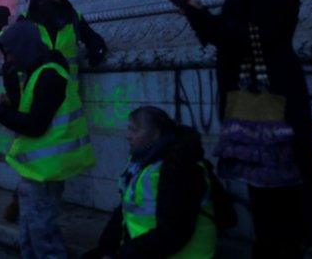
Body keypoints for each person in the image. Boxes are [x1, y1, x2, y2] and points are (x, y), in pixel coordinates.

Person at [173, 0, 312, 258]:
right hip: (258, 93)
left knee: (277, 194)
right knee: (266, 191)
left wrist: (206, 21)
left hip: (268, 95)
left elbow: (256, 34)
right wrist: (204, 19)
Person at [0, 19, 96, 258]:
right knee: (31, 237)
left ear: (24, 47)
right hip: (37, 170)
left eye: (10, 53)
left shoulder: (49, 75)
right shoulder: (37, 72)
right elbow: (33, 110)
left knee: (44, 240)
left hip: (46, 172)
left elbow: (35, 125)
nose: (9, 60)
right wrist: (7, 103)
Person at [85, 107, 218, 259]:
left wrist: (123, 254)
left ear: (156, 134)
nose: (128, 136)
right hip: (147, 249)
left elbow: (172, 234)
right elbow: (124, 211)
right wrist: (107, 249)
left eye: (135, 130)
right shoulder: (143, 161)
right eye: (129, 129)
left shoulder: (179, 168)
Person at [18, 0, 108, 80]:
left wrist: (97, 51)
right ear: (36, 1)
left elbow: (93, 39)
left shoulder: (73, 18)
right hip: (33, 92)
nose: (49, 3)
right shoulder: (25, 21)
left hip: (67, 93)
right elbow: (11, 52)